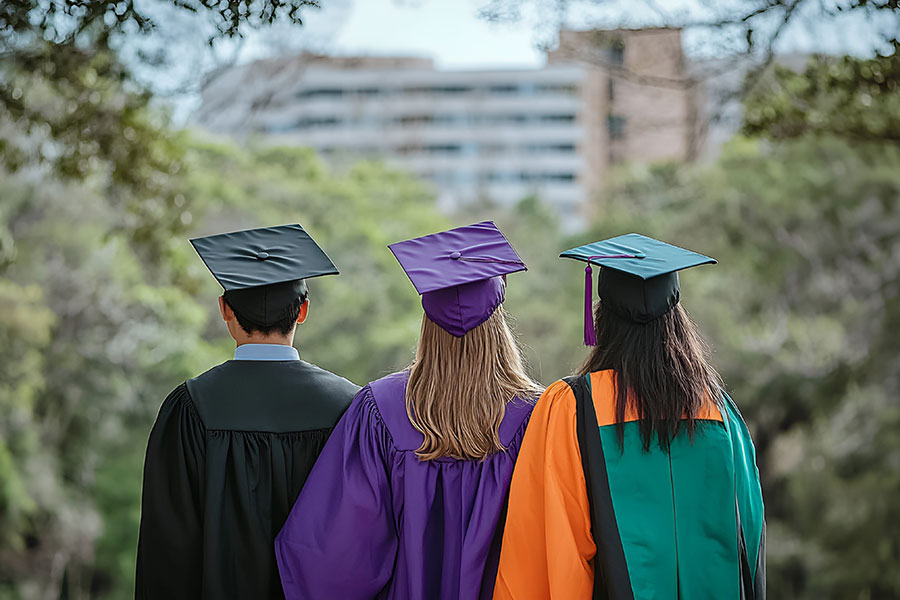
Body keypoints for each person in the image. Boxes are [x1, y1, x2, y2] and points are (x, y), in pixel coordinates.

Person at [275, 220, 543, 600]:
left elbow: (332, 555)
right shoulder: (541, 415)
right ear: (498, 324)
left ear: (427, 322)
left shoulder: (379, 411)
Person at [494, 233, 765, 600]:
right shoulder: (721, 412)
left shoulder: (573, 408)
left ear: (602, 319)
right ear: (677, 320)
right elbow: (749, 544)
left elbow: (551, 553)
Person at [135, 224, 360, 600]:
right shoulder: (351, 410)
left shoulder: (190, 409)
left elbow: (167, 556)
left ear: (224, 309)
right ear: (303, 311)